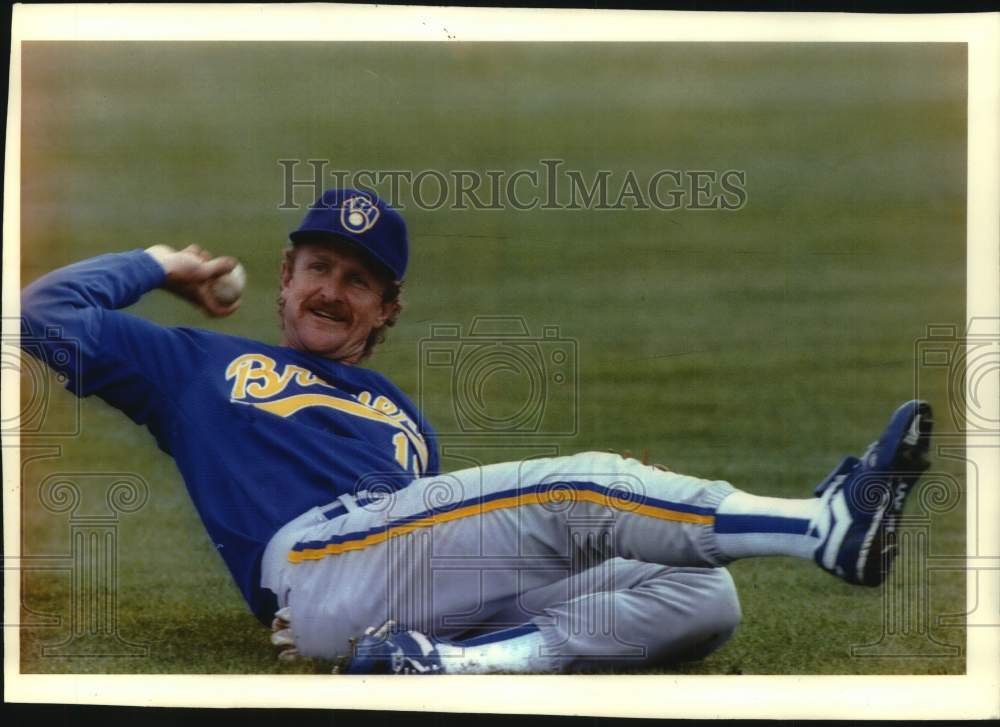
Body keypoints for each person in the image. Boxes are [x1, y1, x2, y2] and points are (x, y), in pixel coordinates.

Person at [20, 188, 933, 674]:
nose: (332, 289)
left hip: (392, 567)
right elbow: (43, 312)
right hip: (322, 560)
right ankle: (824, 527)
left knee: (702, 599)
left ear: (388, 310)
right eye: (317, 266)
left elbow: (443, 533)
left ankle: (446, 666)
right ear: (286, 277)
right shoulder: (192, 365)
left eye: (359, 279)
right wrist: (162, 264)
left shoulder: (404, 422)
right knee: (577, 485)